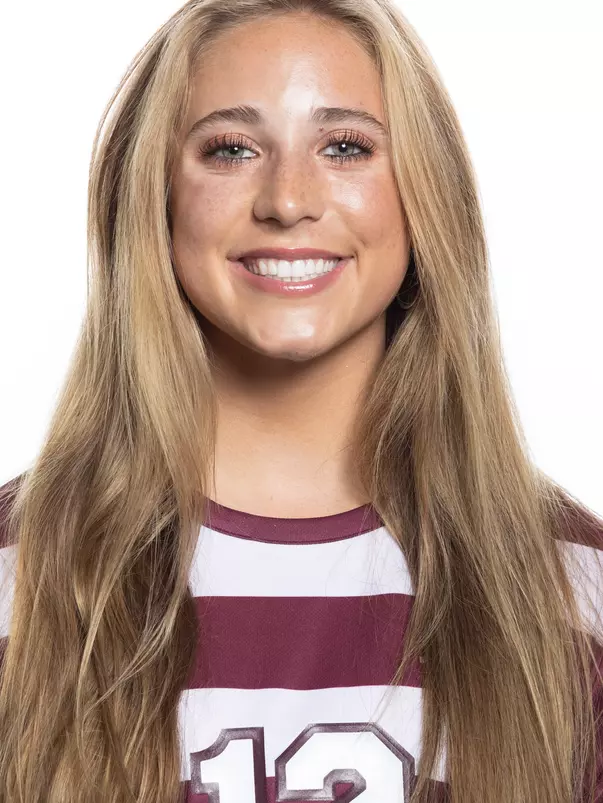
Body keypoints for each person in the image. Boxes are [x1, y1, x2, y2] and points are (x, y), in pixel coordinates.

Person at [0, 0, 601, 801]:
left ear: (426, 195)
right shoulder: (19, 574)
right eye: (231, 149)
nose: (287, 200)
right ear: (152, 195)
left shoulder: (572, 587)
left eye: (345, 147)